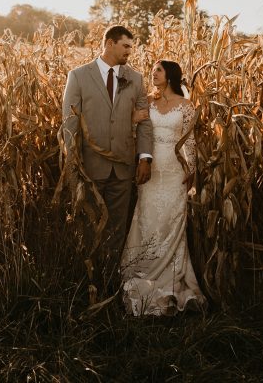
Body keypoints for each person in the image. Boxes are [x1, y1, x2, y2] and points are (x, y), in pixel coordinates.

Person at [61, 25, 154, 294]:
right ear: (110, 44)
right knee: (89, 226)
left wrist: (144, 158)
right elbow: (69, 122)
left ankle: (110, 283)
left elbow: (144, 122)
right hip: (90, 167)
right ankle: (84, 282)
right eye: (125, 46)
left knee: (116, 228)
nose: (129, 52)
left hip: (124, 168)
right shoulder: (79, 76)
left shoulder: (134, 79)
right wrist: (74, 163)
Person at [120, 59, 206, 316]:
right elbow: (134, 130)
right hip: (150, 168)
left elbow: (189, 140)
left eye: (158, 70)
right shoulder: (147, 101)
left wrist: (191, 170)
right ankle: (142, 272)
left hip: (174, 172)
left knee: (172, 221)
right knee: (147, 217)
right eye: (153, 71)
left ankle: (173, 279)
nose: (153, 74)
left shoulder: (186, 106)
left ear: (170, 75)